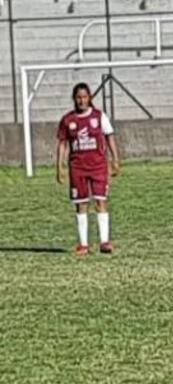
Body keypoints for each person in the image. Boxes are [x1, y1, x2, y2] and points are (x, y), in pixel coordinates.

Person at [56, 82, 121, 256]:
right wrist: (59, 166)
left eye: (85, 97)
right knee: (81, 204)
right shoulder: (67, 120)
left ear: (90, 97)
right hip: (77, 168)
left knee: (101, 202)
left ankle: (105, 242)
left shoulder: (99, 116)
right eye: (78, 97)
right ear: (74, 99)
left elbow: (110, 137)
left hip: (98, 166)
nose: (82, 100)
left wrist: (116, 159)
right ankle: (83, 244)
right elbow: (62, 144)